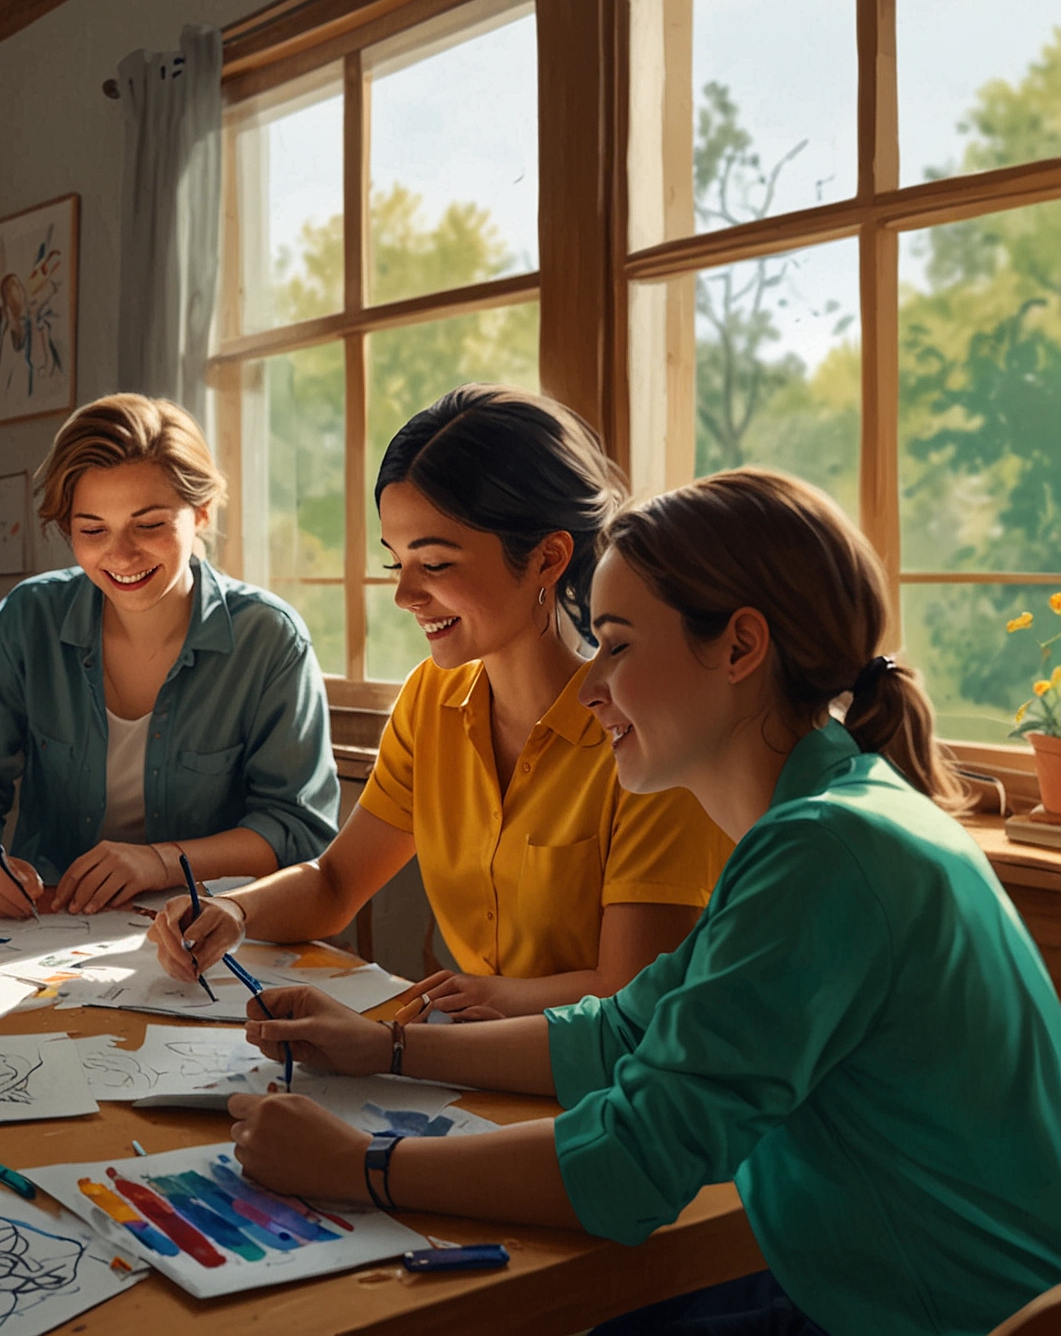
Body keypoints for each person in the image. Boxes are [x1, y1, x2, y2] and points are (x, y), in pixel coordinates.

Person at [227, 469, 1061, 1336]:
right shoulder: (829, 814)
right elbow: (624, 1030)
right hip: (854, 1281)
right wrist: (388, 1047)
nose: (591, 687)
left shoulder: (825, 851)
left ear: (741, 648)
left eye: (617, 645)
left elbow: (632, 1164)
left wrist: (359, 1164)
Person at [151, 385, 730, 1017]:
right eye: (394, 562)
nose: (403, 595)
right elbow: (336, 882)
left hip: (606, 1088)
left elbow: (632, 997)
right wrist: (234, 910)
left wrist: (432, 1025)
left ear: (547, 557)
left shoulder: (646, 729)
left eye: (435, 564)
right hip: (472, 1060)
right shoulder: (433, 698)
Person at [0, 393, 339, 917]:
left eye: (149, 524)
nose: (120, 555)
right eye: (93, 530)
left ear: (202, 513)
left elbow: (298, 831)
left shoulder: (269, 639)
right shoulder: (29, 620)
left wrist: (161, 863)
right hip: (50, 929)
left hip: (210, 930)